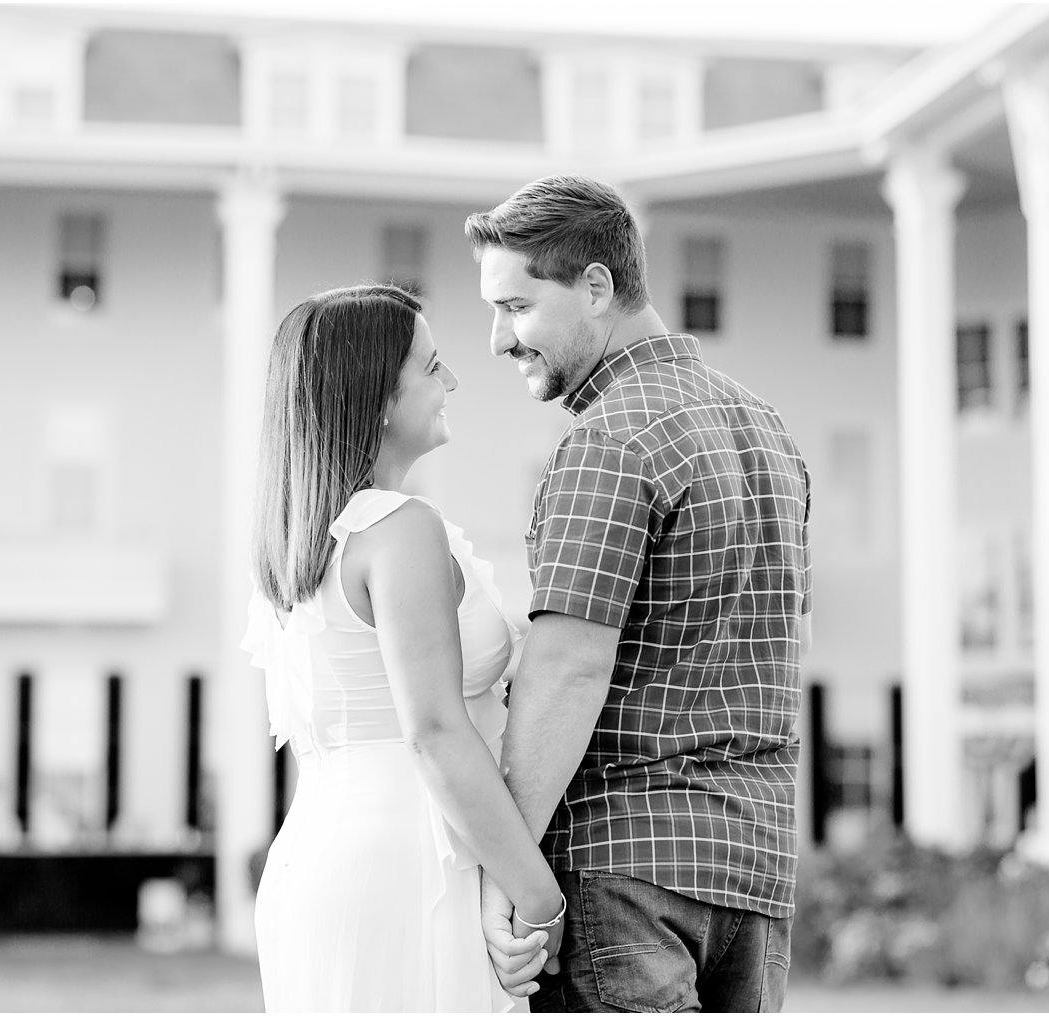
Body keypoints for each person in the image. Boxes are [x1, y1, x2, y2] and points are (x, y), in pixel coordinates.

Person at [464, 176, 813, 1013]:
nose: (497, 341)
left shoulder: (609, 441)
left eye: (516, 307)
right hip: (757, 874)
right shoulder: (768, 428)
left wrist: (508, 871)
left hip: (627, 871)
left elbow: (568, 671)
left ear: (595, 286)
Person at [242, 284, 564, 1012]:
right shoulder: (399, 528)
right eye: (431, 367)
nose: (451, 381)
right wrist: (537, 895)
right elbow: (435, 732)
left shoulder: (295, 542)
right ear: (378, 397)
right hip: (408, 864)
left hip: (313, 858)